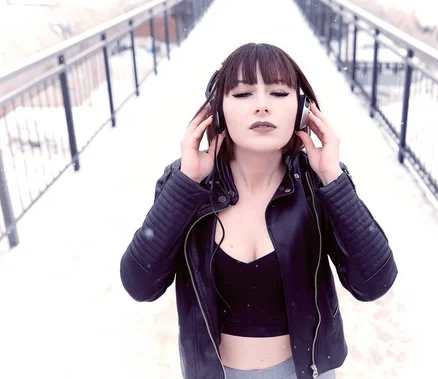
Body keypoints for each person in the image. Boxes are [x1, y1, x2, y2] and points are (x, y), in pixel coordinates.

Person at [119, 42, 398, 379]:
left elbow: (374, 283)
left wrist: (332, 179)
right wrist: (185, 185)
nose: (262, 107)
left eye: (279, 93)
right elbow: (139, 284)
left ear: (303, 109)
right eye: (242, 94)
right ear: (216, 111)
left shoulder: (317, 182)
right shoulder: (188, 183)